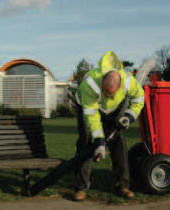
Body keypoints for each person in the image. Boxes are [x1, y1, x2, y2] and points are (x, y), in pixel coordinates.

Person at [72, 51, 144, 201]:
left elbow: (139, 98)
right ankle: (81, 187)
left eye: (111, 94)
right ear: (102, 81)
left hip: (114, 109)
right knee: (87, 142)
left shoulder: (129, 81)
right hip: (88, 107)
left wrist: (130, 116)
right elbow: (91, 116)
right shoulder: (90, 84)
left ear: (119, 86)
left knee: (119, 141)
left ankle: (122, 185)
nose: (108, 96)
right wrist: (99, 141)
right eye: (105, 93)